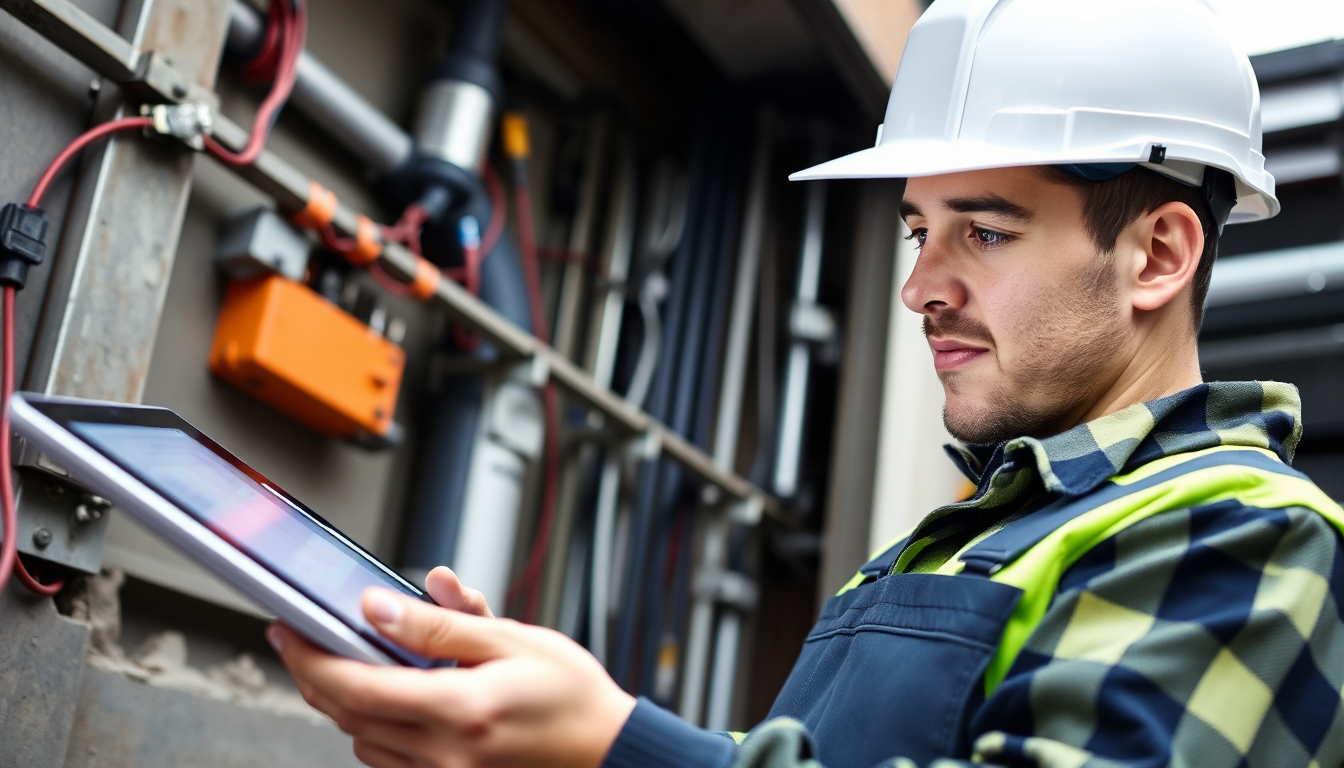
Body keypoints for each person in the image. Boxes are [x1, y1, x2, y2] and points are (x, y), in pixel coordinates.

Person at [268, 0, 1344, 765]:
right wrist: (528, 729)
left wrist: (615, 747)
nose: (921, 285)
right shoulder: (959, 542)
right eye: (922, 227)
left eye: (986, 230)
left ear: (1157, 255)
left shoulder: (1252, 537)